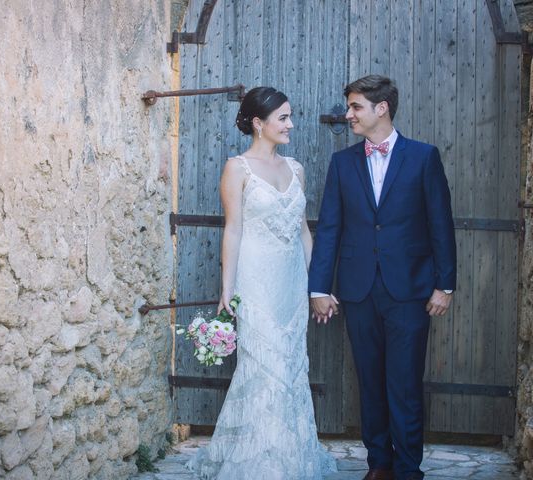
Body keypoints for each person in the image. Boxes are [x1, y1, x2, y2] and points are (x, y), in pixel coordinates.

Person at [308, 75, 456, 480]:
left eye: (355, 107)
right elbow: (330, 229)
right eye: (349, 106)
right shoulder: (343, 163)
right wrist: (319, 287)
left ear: (382, 108)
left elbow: (440, 224)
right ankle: (380, 465)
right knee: (370, 383)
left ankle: (409, 469)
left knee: (404, 384)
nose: (348, 114)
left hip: (410, 291)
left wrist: (445, 284)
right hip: (357, 290)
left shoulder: (424, 157)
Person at [187, 87, 337, 479]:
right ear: (259, 123)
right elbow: (233, 230)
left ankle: (293, 458)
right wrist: (227, 288)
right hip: (255, 279)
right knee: (261, 364)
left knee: (290, 365)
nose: (291, 124)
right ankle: (259, 464)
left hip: (291, 280)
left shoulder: (297, 169)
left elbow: (303, 231)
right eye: (283, 118)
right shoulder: (237, 168)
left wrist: (318, 284)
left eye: (290, 117)